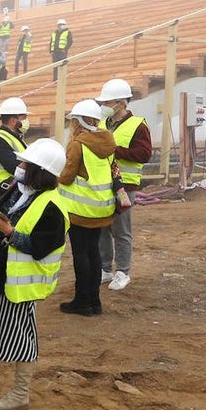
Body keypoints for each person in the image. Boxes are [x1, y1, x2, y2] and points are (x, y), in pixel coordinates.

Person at [0, 138, 69, 410]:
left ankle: (21, 392)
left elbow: (41, 248)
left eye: (25, 164)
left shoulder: (53, 207)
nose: (18, 167)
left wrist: (10, 234)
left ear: (39, 171)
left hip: (19, 283)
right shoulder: (13, 188)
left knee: (20, 336)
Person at [56, 99, 117, 315]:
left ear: (79, 121)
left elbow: (66, 176)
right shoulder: (108, 142)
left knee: (81, 254)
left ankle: (82, 301)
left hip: (80, 211)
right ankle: (95, 301)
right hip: (102, 208)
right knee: (94, 252)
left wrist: (54, 177)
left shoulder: (77, 144)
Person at [96, 78, 152, 292]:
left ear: (121, 103)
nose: (105, 106)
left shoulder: (138, 125)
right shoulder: (102, 123)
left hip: (125, 187)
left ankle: (123, 272)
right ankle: (104, 268)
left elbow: (144, 154)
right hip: (102, 184)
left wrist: (113, 149)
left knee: (121, 229)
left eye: (108, 102)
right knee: (102, 226)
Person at [0, 98, 29, 187]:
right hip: (2, 194)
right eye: (24, 118)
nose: (26, 121)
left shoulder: (14, 138)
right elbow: (15, 168)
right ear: (13, 121)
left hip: (12, 192)